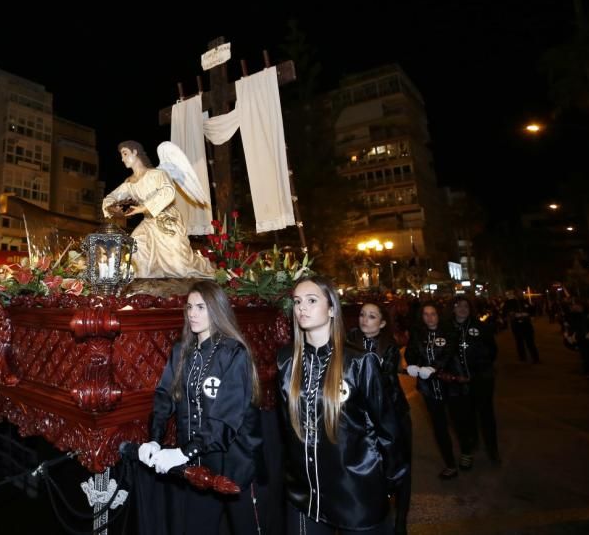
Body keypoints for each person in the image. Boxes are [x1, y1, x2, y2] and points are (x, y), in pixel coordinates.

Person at [278, 277, 405, 534]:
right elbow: (286, 431)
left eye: (312, 300)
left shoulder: (359, 362)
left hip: (356, 492)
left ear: (332, 309)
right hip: (305, 496)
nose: (302, 307)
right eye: (297, 302)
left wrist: (391, 481)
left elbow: (388, 430)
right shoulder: (286, 361)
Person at [138, 280, 264, 535]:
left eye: (201, 307)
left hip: (236, 465)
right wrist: (154, 439)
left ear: (217, 310)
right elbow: (165, 396)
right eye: (189, 307)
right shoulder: (181, 351)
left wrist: (183, 453)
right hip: (199, 465)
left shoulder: (233, 353)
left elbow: (224, 420)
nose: (193, 313)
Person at [101, 140, 215, 278]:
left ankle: (204, 265)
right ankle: (141, 285)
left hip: (167, 220)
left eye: (125, 154)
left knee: (179, 268)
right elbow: (112, 196)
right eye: (121, 155)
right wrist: (111, 207)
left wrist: (142, 208)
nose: (122, 158)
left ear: (135, 152)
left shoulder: (157, 174)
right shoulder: (129, 183)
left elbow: (168, 191)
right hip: (148, 223)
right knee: (135, 248)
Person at [347, 302, 412, 535]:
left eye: (372, 316)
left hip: (392, 414)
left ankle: (401, 519)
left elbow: (386, 386)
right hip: (360, 418)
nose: (365, 319)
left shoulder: (389, 346)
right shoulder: (348, 340)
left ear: (382, 323)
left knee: (400, 466)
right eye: (363, 314)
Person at [405, 302, 468, 479]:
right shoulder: (418, 333)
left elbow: (448, 353)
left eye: (433, 313)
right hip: (429, 388)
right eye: (426, 314)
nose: (430, 317)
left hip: (451, 385)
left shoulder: (449, 331)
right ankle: (450, 464)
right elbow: (411, 351)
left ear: (439, 315)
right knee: (439, 426)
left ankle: (466, 451)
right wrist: (412, 364)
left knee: (458, 422)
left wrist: (434, 367)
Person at [450, 295, 501, 465]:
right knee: (466, 414)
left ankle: (492, 449)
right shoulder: (448, 329)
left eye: (465, 305)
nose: (462, 309)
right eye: (458, 306)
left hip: (481, 377)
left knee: (486, 414)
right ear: (453, 308)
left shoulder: (480, 327)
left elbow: (492, 350)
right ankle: (472, 443)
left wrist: (481, 366)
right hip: (459, 380)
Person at [502, 291, 539, 363]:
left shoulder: (525, 301)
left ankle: (535, 357)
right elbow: (505, 312)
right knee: (519, 341)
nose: (521, 295)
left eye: (521, 294)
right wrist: (510, 315)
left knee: (530, 341)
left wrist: (531, 312)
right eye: (519, 294)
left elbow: (531, 311)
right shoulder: (509, 303)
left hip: (526, 324)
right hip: (516, 324)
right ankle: (522, 356)